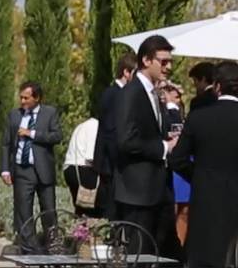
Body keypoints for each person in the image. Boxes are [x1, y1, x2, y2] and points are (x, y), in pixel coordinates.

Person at [113, 35, 182, 260]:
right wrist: (163, 147)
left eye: (170, 61)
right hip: (138, 193)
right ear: (146, 60)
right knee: (140, 256)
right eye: (163, 62)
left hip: (158, 190)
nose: (168, 67)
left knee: (166, 255)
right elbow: (125, 141)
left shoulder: (154, 93)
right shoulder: (130, 94)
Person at [169, 61, 238, 268]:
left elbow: (177, 159)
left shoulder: (199, 117)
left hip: (205, 200)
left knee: (204, 258)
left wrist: (199, 175)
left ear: (217, 86)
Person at [0, 81, 62, 254]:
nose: (22, 101)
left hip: (43, 171)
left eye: (26, 98)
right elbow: (5, 144)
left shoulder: (49, 113)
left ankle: (53, 248)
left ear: (37, 98)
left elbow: (57, 136)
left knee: (49, 211)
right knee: (23, 212)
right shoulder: (14, 115)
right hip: (22, 171)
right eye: (21, 97)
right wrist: (5, 169)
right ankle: (30, 250)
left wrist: (32, 134)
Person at [93, 53, 137, 220]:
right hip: (111, 163)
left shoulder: (119, 94)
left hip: (112, 162)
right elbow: (111, 130)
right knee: (112, 206)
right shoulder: (114, 94)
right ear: (126, 72)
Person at [63, 116, 101, 217]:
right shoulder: (95, 126)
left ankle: (79, 230)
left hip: (70, 167)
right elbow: (91, 156)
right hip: (83, 168)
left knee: (80, 209)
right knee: (92, 208)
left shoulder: (82, 126)